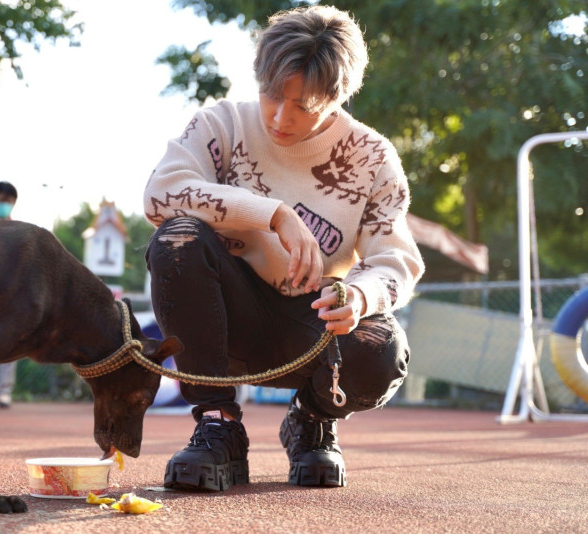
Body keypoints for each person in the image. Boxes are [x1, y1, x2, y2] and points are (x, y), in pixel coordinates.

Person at [143, 5, 424, 491]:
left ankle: (312, 419)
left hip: (311, 324)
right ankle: (218, 423)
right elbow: (160, 193)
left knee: (384, 350)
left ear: (337, 99)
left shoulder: (373, 158)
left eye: (304, 105)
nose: (280, 116)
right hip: (223, 319)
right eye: (273, 94)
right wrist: (273, 213)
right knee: (178, 238)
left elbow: (395, 262)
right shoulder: (222, 124)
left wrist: (358, 297)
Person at [0, 181, 19, 408]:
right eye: (1, 201)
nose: (4, 205)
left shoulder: (16, 231)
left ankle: (4, 392)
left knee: (9, 348)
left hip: (7, 297)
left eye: (9, 202)